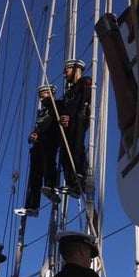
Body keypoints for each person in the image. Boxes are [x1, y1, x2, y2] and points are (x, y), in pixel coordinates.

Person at [20, 84, 61, 217]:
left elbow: (52, 124)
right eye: (40, 97)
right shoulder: (42, 113)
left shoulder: (56, 107)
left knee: (49, 164)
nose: (42, 99)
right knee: (34, 176)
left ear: (51, 94)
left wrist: (40, 133)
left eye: (44, 96)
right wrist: (32, 135)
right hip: (38, 145)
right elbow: (38, 128)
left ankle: (52, 188)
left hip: (49, 140)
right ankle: (32, 205)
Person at [58, 58, 91, 195]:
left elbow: (84, 101)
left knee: (77, 147)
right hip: (68, 125)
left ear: (75, 69)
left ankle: (80, 176)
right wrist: (63, 117)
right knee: (65, 153)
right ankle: (71, 182)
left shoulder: (85, 82)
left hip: (79, 118)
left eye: (66, 71)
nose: (64, 74)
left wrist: (72, 116)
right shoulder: (68, 93)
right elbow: (64, 107)